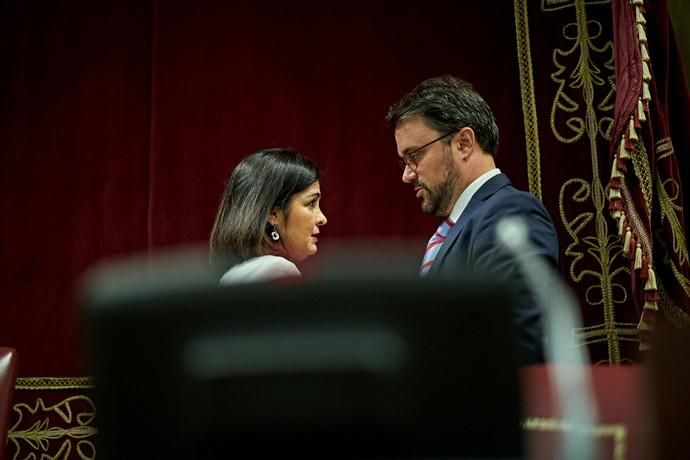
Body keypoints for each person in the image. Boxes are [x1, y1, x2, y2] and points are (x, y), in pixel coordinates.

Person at [386, 75, 559, 365]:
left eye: (414, 156)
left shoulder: (511, 212)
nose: (407, 174)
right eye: (404, 161)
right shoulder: (455, 228)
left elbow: (517, 341)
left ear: (464, 143)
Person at [209, 148, 327, 284]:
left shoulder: (231, 276)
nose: (322, 218)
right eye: (311, 203)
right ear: (273, 214)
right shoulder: (278, 271)